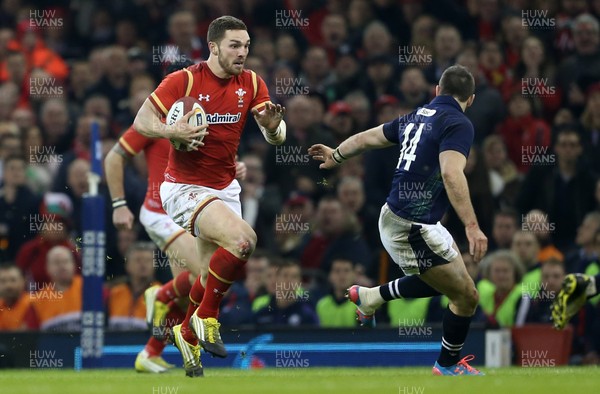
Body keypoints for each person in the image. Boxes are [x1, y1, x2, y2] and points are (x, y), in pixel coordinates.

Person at [133, 16, 286, 377]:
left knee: (207, 275)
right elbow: (142, 121)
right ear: (214, 47)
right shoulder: (184, 79)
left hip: (224, 188)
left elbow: (276, 135)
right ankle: (205, 317)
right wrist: (173, 131)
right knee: (244, 241)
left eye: (246, 45)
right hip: (184, 188)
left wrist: (272, 128)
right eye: (235, 45)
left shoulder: (250, 82)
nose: (242, 52)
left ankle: (185, 332)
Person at [309, 65, 487, 375]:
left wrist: (336, 155)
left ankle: (371, 297)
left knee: (463, 292)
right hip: (409, 224)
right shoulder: (459, 123)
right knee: (464, 294)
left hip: (413, 220)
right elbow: (450, 172)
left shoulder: (416, 117)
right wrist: (472, 225)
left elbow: (367, 138)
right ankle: (445, 365)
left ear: (437, 91)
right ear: (470, 99)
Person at [0, 263, 34, 330]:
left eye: (13, 280)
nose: (8, 285)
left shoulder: (33, 304)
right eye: (3, 281)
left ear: (24, 281)